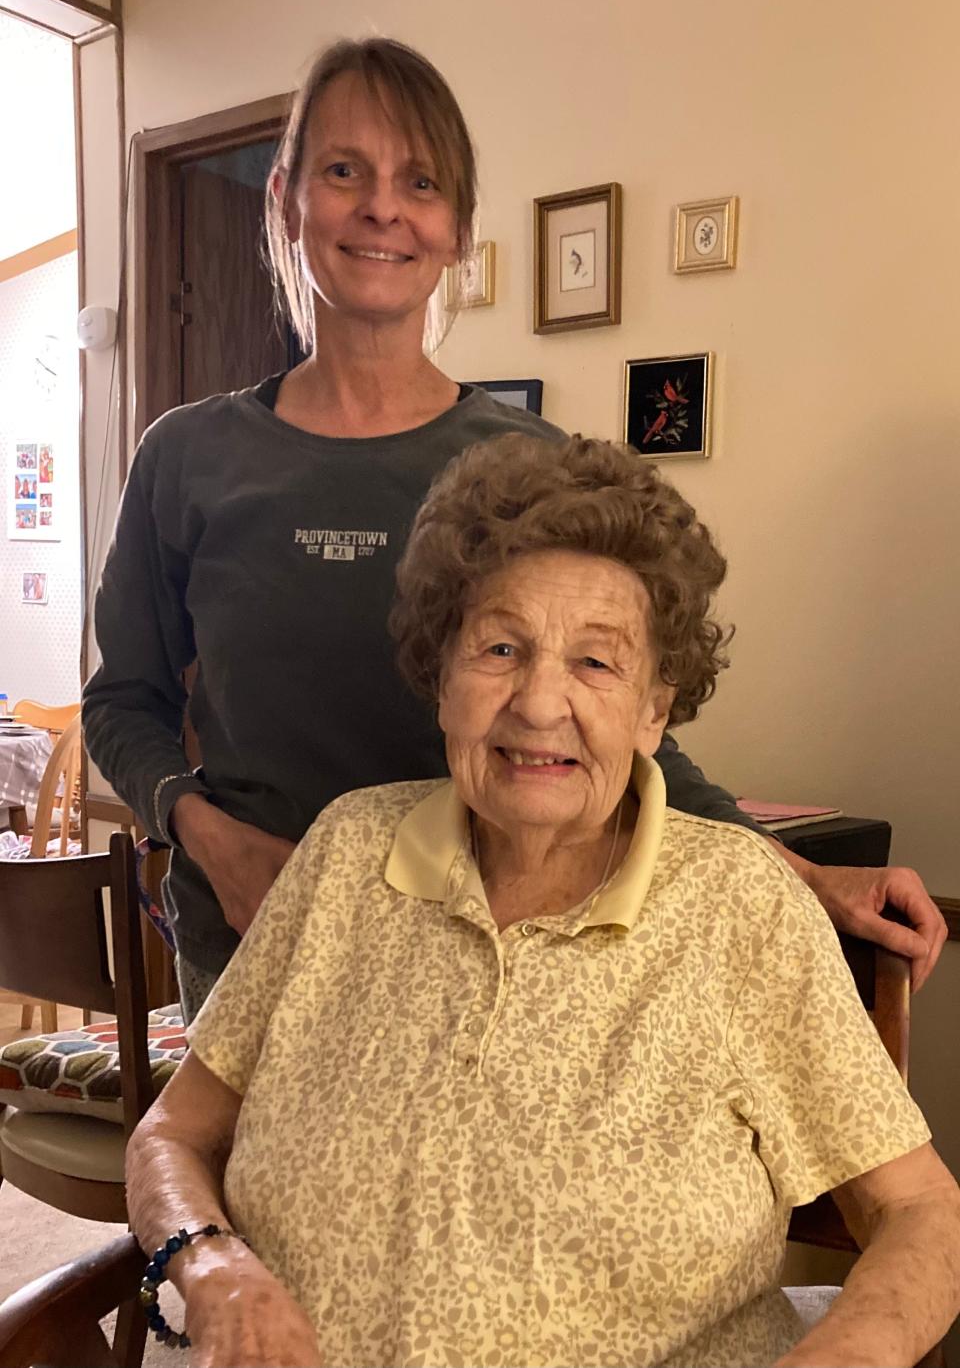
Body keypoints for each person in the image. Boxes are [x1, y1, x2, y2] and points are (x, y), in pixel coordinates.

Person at [83, 37, 944, 1024]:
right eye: (343, 170)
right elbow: (123, 704)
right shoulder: (185, 455)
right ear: (285, 198)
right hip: (255, 943)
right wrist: (205, 836)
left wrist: (800, 871)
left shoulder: (524, 464)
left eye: (421, 181)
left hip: (484, 955)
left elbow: (619, 724)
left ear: (456, 229)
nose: (381, 207)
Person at [127, 434, 960, 1368]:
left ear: (655, 712)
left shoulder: (740, 907)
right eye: (500, 647)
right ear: (440, 680)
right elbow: (172, 1134)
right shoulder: (345, 851)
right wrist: (208, 1264)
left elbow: (925, 1213)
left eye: (598, 664)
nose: (538, 703)